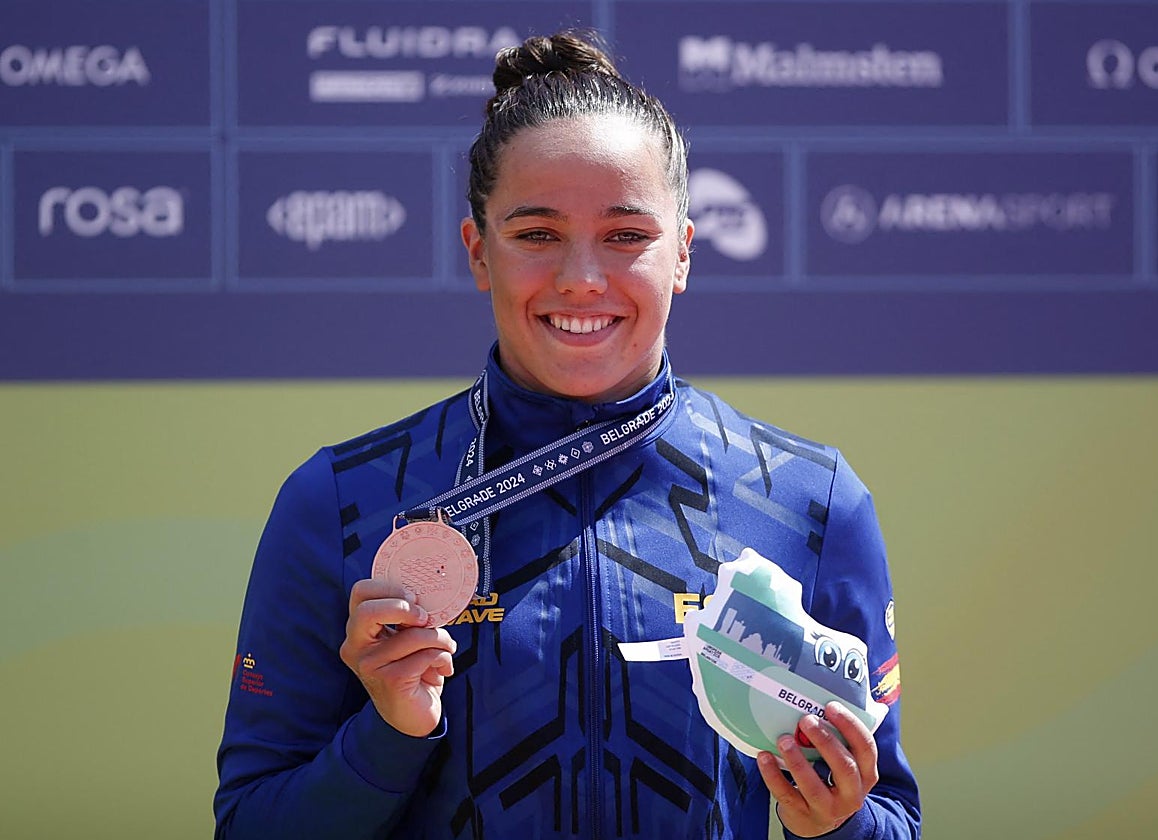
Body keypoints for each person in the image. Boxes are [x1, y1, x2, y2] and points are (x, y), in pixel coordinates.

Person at [215, 30, 920, 840]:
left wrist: (838, 823)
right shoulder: (342, 501)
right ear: (479, 252)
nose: (582, 276)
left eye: (627, 235)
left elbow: (892, 818)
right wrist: (388, 736)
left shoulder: (811, 502)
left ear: (683, 252)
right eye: (537, 233)